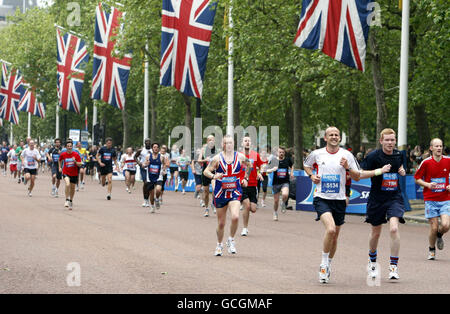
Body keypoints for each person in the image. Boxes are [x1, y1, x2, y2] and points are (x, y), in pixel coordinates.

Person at [304, 126, 391, 284]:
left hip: (339, 200)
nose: (334, 137)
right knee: (330, 229)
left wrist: (347, 167)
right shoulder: (317, 154)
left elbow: (357, 176)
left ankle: (329, 264)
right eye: (331, 135)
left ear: (340, 138)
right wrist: (311, 175)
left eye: (336, 135)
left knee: (335, 237)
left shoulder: (347, 155)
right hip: (321, 197)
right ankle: (323, 264)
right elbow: (306, 165)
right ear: (325, 138)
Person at [360, 128, 407, 281]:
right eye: (387, 140)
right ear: (381, 141)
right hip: (377, 199)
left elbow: (400, 168)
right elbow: (360, 173)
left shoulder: (399, 155)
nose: (390, 143)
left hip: (394, 196)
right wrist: (379, 171)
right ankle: (372, 261)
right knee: (376, 232)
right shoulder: (373, 156)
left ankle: (393, 267)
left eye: (392, 140)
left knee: (394, 228)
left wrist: (402, 171)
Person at [203, 135, 251, 256]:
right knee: (221, 223)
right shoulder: (217, 158)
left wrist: (245, 177)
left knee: (235, 217)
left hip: (234, 191)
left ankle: (231, 240)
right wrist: (214, 176)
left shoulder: (240, 157)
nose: (229, 145)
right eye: (226, 143)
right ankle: (219, 245)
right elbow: (206, 171)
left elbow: (249, 165)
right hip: (221, 193)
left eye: (231, 143)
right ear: (222, 145)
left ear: (233, 144)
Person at [414, 138, 450, 260]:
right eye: (436, 146)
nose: (439, 148)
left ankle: (440, 235)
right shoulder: (426, 162)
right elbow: (417, 178)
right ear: (431, 148)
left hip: (445, 198)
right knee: (433, 227)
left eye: (441, 146)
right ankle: (431, 249)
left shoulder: (448, 160)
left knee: (445, 225)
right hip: (430, 199)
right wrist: (428, 185)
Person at [239, 136, 264, 237]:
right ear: (242, 143)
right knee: (247, 205)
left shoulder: (255, 155)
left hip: (253, 184)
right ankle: (245, 228)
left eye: (249, 141)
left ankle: (245, 209)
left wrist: (259, 172)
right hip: (243, 184)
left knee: (253, 209)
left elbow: (260, 166)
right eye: (245, 141)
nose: (247, 142)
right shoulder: (238, 155)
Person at [266, 146, 293, 221]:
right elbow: (267, 170)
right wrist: (272, 169)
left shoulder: (287, 160)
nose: (281, 153)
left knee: (285, 194)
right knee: (276, 201)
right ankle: (275, 212)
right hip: (276, 183)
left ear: (284, 153)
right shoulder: (274, 160)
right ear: (277, 153)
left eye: (283, 152)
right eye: (280, 152)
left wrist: (291, 173)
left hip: (285, 181)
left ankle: (283, 203)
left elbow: (292, 166)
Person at [142, 143, 167, 212]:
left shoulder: (162, 157)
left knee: (158, 189)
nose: (156, 148)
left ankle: (157, 199)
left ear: (158, 149)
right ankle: (152, 206)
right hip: (150, 177)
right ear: (152, 148)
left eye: (157, 147)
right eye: (154, 147)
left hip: (159, 176)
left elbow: (165, 164)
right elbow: (144, 165)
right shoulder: (148, 156)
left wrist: (164, 170)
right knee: (151, 194)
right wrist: (145, 165)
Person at [58, 141, 82, 210]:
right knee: (67, 184)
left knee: (72, 188)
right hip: (66, 172)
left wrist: (75, 162)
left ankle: (71, 200)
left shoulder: (76, 154)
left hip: (74, 173)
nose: (69, 147)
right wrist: (60, 167)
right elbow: (59, 160)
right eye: (68, 146)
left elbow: (80, 164)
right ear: (66, 147)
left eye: (70, 146)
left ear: (72, 147)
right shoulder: (63, 154)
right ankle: (67, 200)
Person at [201, 135, 218, 217]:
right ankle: (207, 208)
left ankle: (213, 203)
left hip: (214, 173)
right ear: (207, 141)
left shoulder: (217, 150)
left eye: (213, 140)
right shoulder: (203, 149)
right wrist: (205, 160)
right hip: (205, 172)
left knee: (215, 189)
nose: (211, 141)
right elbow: (198, 160)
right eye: (210, 140)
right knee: (206, 193)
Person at [135, 139, 153, 206]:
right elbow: (135, 157)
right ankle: (145, 200)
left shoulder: (153, 150)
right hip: (143, 168)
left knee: (149, 184)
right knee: (145, 183)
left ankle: (147, 199)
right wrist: (139, 163)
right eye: (146, 142)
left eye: (149, 142)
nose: (148, 143)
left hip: (151, 169)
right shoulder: (141, 150)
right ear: (144, 143)